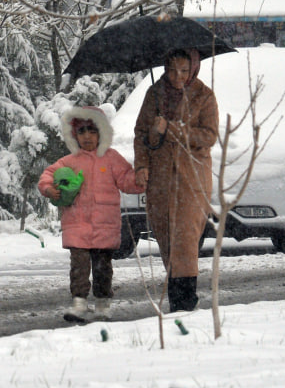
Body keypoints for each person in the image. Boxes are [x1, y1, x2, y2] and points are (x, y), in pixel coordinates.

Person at [133, 47, 219, 312]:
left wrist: (171, 129)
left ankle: (185, 302)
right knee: (167, 239)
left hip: (191, 179)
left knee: (184, 239)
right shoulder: (154, 94)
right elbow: (141, 134)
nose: (178, 76)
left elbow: (208, 136)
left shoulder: (204, 95)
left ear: (193, 68)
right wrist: (141, 165)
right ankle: (176, 301)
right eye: (172, 70)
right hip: (160, 179)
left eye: (184, 70)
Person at [39, 106, 144, 320]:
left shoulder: (112, 159)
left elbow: (126, 180)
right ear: (74, 135)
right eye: (82, 131)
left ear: (102, 133)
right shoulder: (69, 161)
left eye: (92, 131)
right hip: (77, 225)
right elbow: (48, 174)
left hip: (105, 227)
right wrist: (49, 188)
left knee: (103, 268)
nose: (87, 136)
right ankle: (79, 303)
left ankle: (103, 304)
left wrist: (140, 180)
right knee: (79, 267)